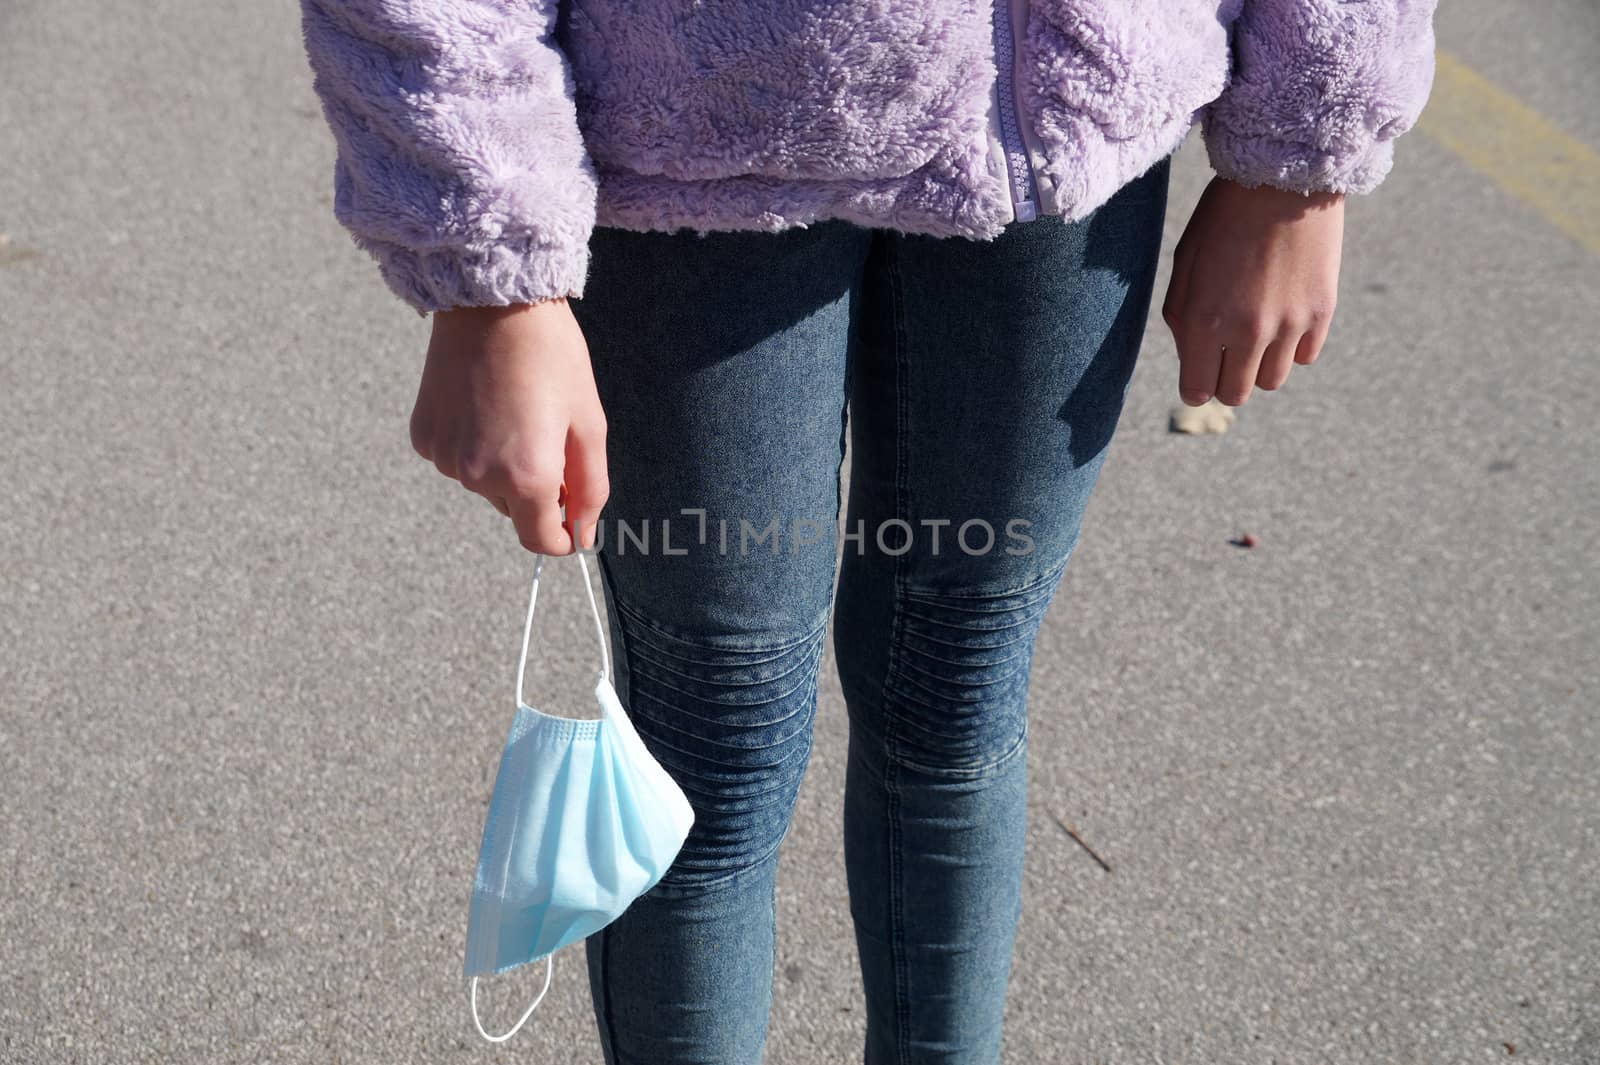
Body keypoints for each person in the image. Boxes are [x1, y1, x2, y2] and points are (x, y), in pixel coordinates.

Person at [298, 2, 1437, 1062]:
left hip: (1072, 112)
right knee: (716, 741)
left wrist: (1305, 151)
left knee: (958, 685)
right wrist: (492, 272)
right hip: (694, 127)